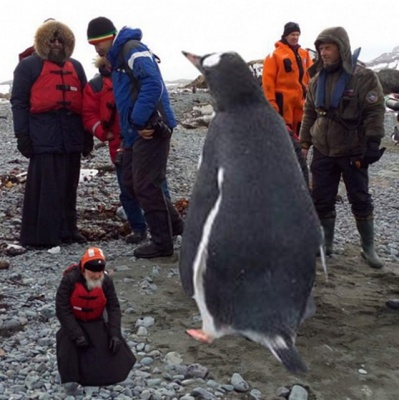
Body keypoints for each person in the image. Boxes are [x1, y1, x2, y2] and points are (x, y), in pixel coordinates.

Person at [86, 17, 184, 258]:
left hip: (151, 128)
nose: (96, 49)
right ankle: (177, 227)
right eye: (93, 45)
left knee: (145, 185)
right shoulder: (118, 59)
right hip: (134, 133)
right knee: (131, 181)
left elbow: (153, 83)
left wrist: (140, 119)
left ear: (108, 37)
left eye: (97, 43)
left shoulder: (131, 49)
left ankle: (162, 243)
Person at [299, 26, 386, 268]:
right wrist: (304, 143)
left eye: (328, 47)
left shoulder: (364, 77)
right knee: (321, 199)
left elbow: (374, 111)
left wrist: (373, 142)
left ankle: (368, 248)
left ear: (342, 48)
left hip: (352, 149)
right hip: (323, 150)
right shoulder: (316, 80)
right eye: (320, 48)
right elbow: (309, 113)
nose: (323, 53)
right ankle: (326, 245)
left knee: (360, 198)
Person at [11, 20, 92, 247]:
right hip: (43, 134)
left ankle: (68, 230)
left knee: (69, 184)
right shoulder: (28, 66)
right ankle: (42, 236)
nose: (56, 43)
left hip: (72, 134)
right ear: (43, 41)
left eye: (60, 40)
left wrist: (87, 136)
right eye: (52, 39)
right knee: (45, 187)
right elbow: (18, 102)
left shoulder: (76, 66)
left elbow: (85, 102)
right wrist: (22, 136)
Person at [82, 56, 172, 244]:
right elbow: (88, 113)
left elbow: (152, 98)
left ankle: (167, 227)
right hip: (120, 145)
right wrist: (101, 132)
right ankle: (139, 228)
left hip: (143, 138)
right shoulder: (95, 86)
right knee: (127, 189)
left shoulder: (131, 77)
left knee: (156, 186)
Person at [55, 247, 136, 387]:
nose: (97, 276)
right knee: (69, 350)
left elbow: (113, 308)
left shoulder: (106, 282)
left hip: (97, 322)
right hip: (75, 323)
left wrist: (114, 334)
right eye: (93, 272)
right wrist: (76, 334)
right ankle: (72, 379)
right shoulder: (69, 280)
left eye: (99, 272)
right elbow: (62, 309)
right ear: (83, 270)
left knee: (113, 354)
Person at [262, 22, 313, 137]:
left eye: (297, 34)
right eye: (292, 35)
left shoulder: (304, 54)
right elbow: (268, 81)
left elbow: (312, 76)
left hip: (301, 102)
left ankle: (300, 154)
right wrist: (271, 102)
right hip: (283, 103)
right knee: (284, 135)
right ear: (285, 35)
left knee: (301, 133)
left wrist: (312, 96)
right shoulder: (274, 55)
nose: (295, 37)